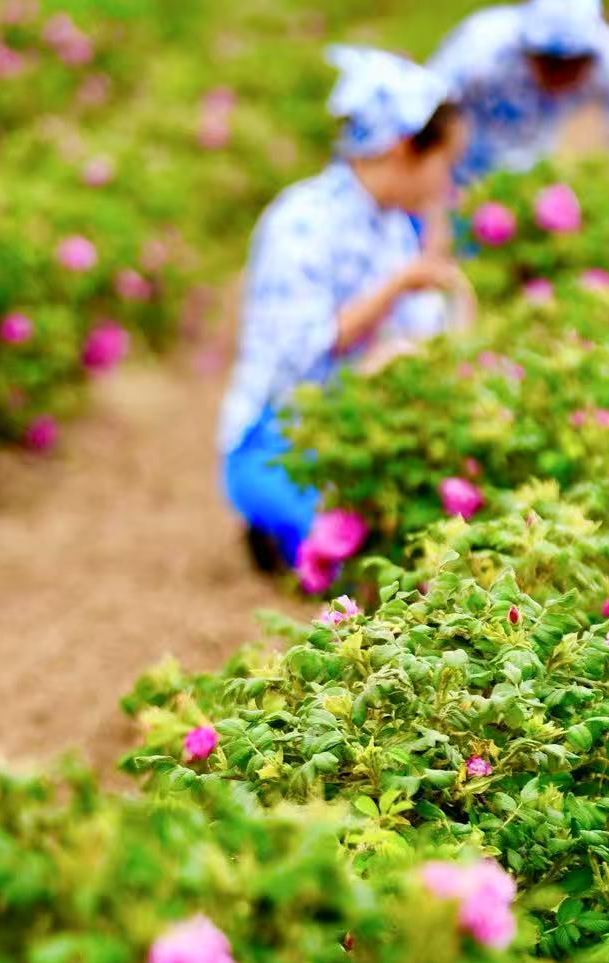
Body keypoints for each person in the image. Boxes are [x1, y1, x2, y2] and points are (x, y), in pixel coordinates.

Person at [217, 46, 471, 585]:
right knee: (357, 562)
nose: (447, 183)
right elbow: (300, 351)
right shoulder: (302, 221)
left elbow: (429, 336)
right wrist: (396, 287)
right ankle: (275, 528)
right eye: (444, 164)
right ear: (404, 149)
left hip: (365, 431)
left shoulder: (394, 225)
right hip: (278, 439)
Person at [428, 0, 609, 185]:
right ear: (527, 48)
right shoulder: (482, 45)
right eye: (550, 62)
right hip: (456, 172)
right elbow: (426, 113)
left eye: (573, 63)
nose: (559, 75)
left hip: (526, 178)